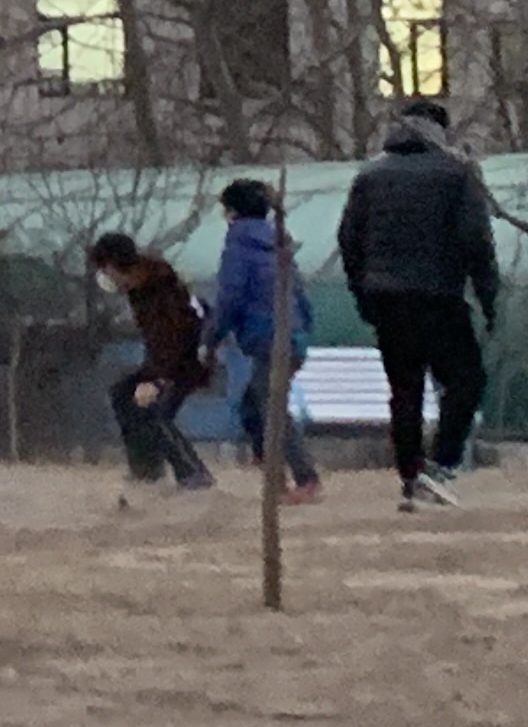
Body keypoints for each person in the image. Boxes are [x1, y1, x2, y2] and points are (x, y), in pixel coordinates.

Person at [338, 98, 500, 510]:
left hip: (387, 300)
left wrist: (364, 295)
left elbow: (349, 240)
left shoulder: (369, 174)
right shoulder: (457, 172)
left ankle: (411, 477)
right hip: (439, 295)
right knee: (466, 380)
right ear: (440, 129)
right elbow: (476, 240)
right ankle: (440, 465)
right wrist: (489, 298)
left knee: (404, 390)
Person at [207, 176, 322, 501]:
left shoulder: (238, 247)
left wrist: (211, 337)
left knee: (271, 409)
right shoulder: (279, 243)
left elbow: (230, 298)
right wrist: (302, 330)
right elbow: (300, 294)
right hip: (292, 335)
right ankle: (272, 470)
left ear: (232, 212)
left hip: (266, 336)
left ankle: (304, 478)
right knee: (254, 404)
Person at [89, 229, 218, 493]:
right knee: (122, 394)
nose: (105, 277)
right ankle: (146, 469)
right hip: (165, 361)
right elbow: (157, 342)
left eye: (105, 269)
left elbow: (175, 338)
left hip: (187, 362)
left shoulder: (160, 289)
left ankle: (193, 474)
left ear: (113, 266)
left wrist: (159, 379)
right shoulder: (140, 289)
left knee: (154, 410)